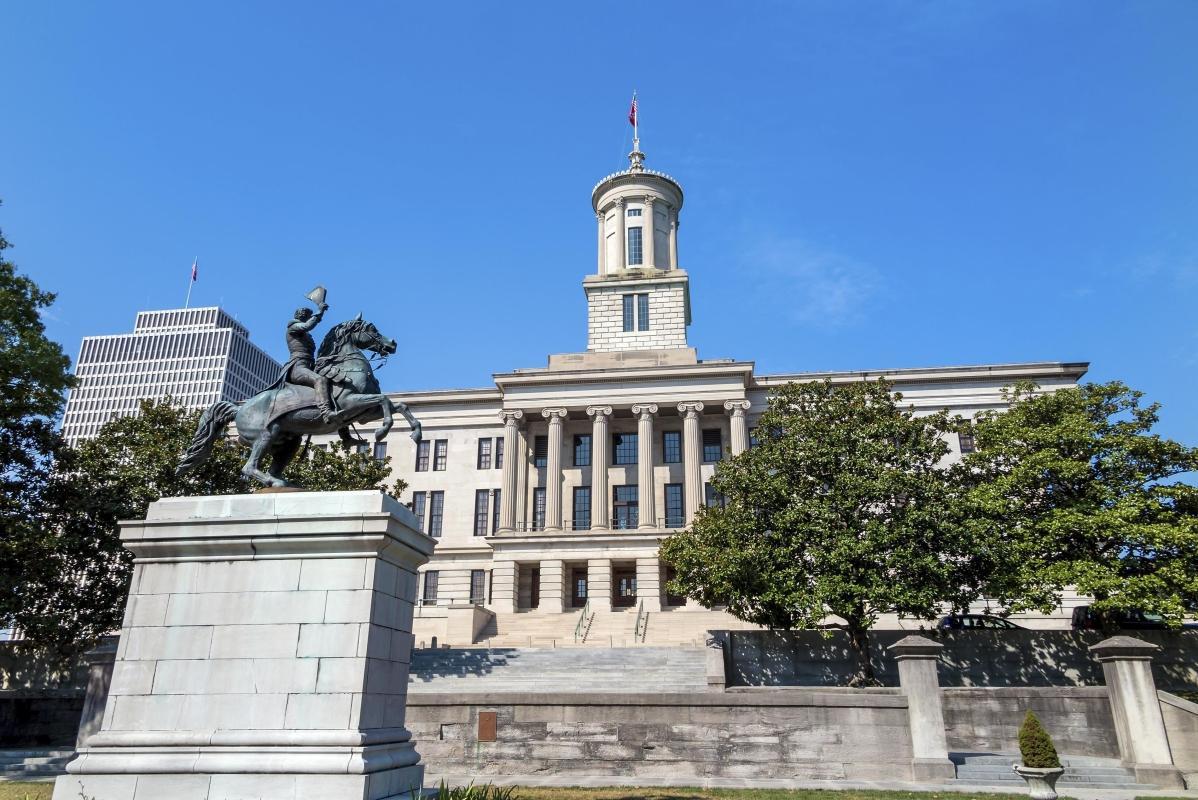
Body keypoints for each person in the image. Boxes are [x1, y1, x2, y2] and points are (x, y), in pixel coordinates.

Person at [286, 303, 334, 422]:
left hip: (310, 366)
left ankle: (345, 435)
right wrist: (320, 311)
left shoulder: (305, 334)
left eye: (308, 315)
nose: (307, 317)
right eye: (306, 315)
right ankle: (326, 412)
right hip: (298, 366)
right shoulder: (293, 327)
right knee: (320, 380)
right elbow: (308, 326)